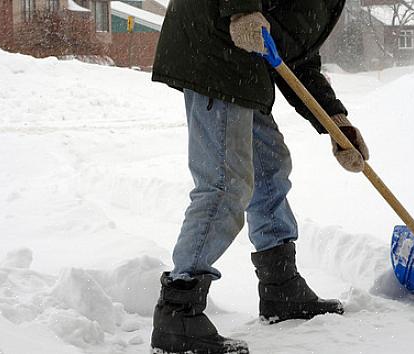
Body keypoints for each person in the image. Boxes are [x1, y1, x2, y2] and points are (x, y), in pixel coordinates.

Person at [150, 0, 369, 353]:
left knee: (270, 167)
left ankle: (280, 286)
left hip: (244, 59)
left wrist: (335, 122)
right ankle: (179, 311)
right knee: (225, 183)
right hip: (216, 45)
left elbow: (295, 57)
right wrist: (241, 8)